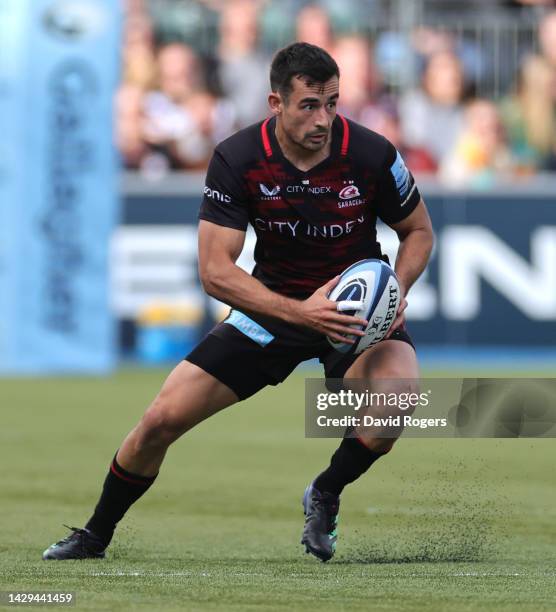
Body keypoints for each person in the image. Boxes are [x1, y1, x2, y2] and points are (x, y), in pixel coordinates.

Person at [42, 42, 433, 563]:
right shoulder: (238, 157)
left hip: (352, 313)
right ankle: (94, 535)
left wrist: (397, 290)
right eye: (309, 105)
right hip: (273, 309)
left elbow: (419, 232)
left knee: (397, 400)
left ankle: (325, 491)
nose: (324, 118)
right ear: (276, 103)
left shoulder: (372, 153)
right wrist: (298, 312)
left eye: (332, 103)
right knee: (160, 419)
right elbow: (215, 272)